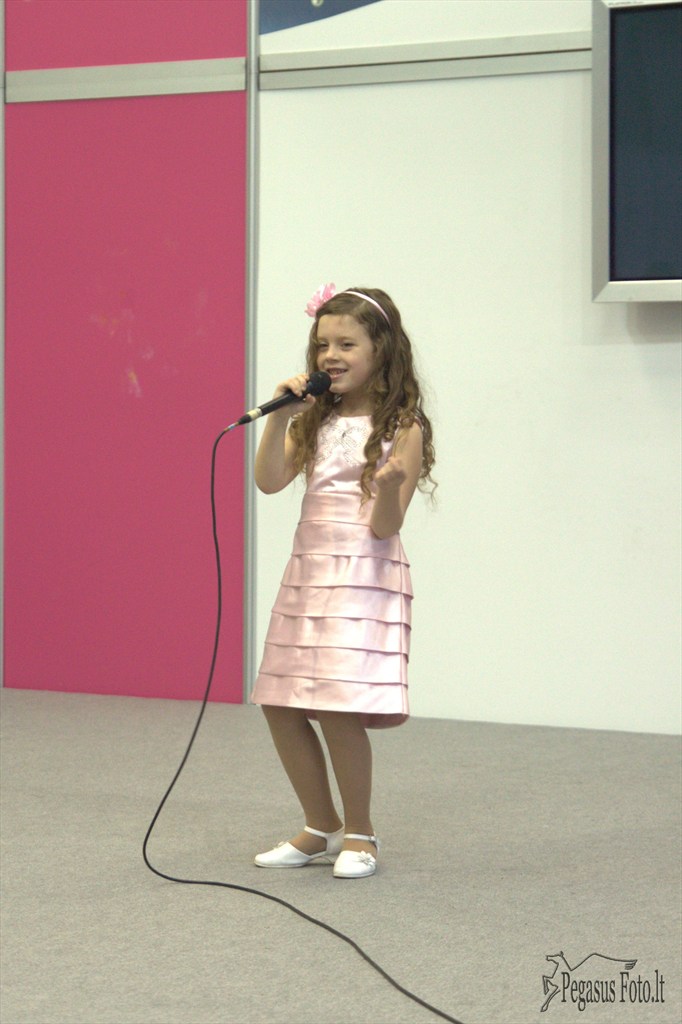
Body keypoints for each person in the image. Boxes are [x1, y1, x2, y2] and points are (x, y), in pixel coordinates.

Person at [250, 285, 435, 878]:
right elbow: (269, 481)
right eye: (322, 344)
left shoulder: (402, 425)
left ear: (382, 350)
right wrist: (281, 417)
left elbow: (385, 526)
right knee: (278, 701)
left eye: (347, 344)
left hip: (362, 576)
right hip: (310, 573)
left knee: (337, 706)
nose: (331, 354)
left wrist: (389, 488)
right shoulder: (316, 416)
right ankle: (319, 826)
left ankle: (361, 833)